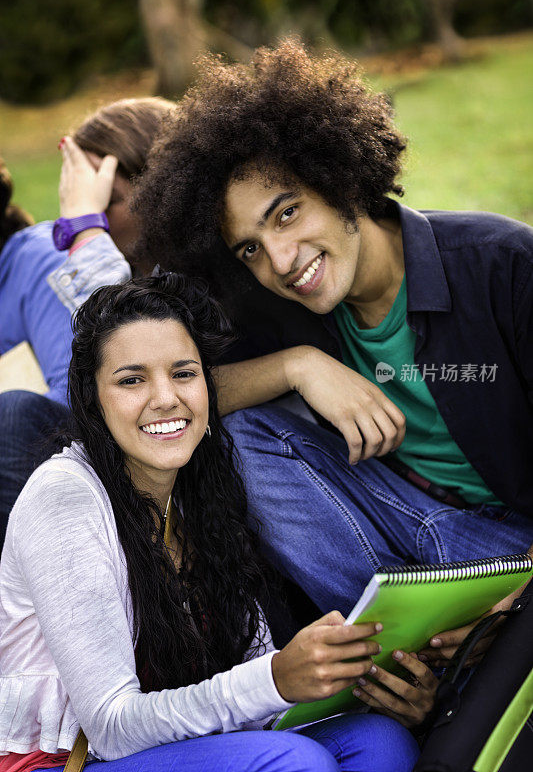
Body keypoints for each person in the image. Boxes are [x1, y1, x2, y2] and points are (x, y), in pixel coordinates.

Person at [128, 38, 533, 666]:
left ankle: (430, 659)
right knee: (236, 435)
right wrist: (299, 365)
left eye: (286, 214)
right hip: (410, 532)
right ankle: (405, 657)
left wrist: (522, 597)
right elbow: (169, 395)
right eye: (250, 249)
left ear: (337, 179)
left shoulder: (501, 266)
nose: (282, 261)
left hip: (519, 548)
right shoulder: (286, 307)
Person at [0, 274, 423, 772]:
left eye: (184, 373)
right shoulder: (65, 496)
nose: (165, 398)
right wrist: (276, 679)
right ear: (92, 399)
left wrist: (359, 679)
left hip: (172, 749)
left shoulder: (200, 492)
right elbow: (112, 729)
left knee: (380, 739)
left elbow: (250, 686)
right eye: (131, 380)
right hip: (62, 761)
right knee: (294, 761)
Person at [0, 98, 174, 540]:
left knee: (16, 414)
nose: (86, 223)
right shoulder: (128, 268)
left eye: (105, 203)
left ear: (167, 189)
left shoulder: (199, 278)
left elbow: (134, 350)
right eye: (79, 206)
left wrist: (85, 229)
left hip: (149, 444)